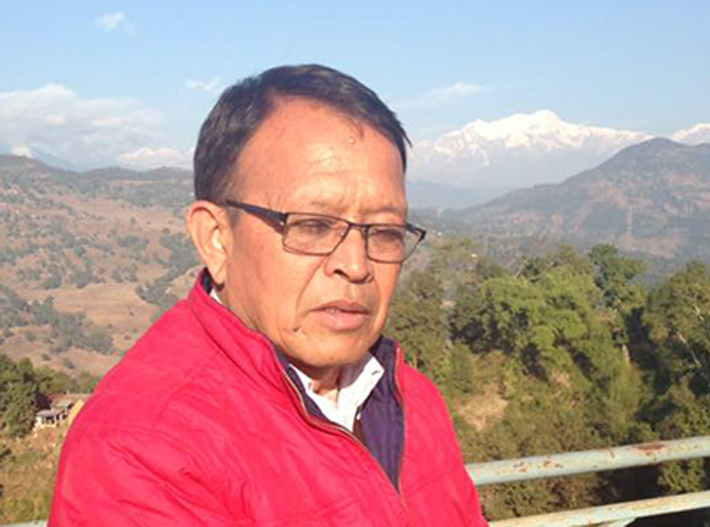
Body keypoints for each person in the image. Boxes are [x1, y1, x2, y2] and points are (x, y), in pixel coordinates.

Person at [49, 64, 487, 526]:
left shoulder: (411, 399)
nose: (357, 265)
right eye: (312, 225)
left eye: (384, 231)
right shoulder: (142, 453)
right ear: (217, 239)